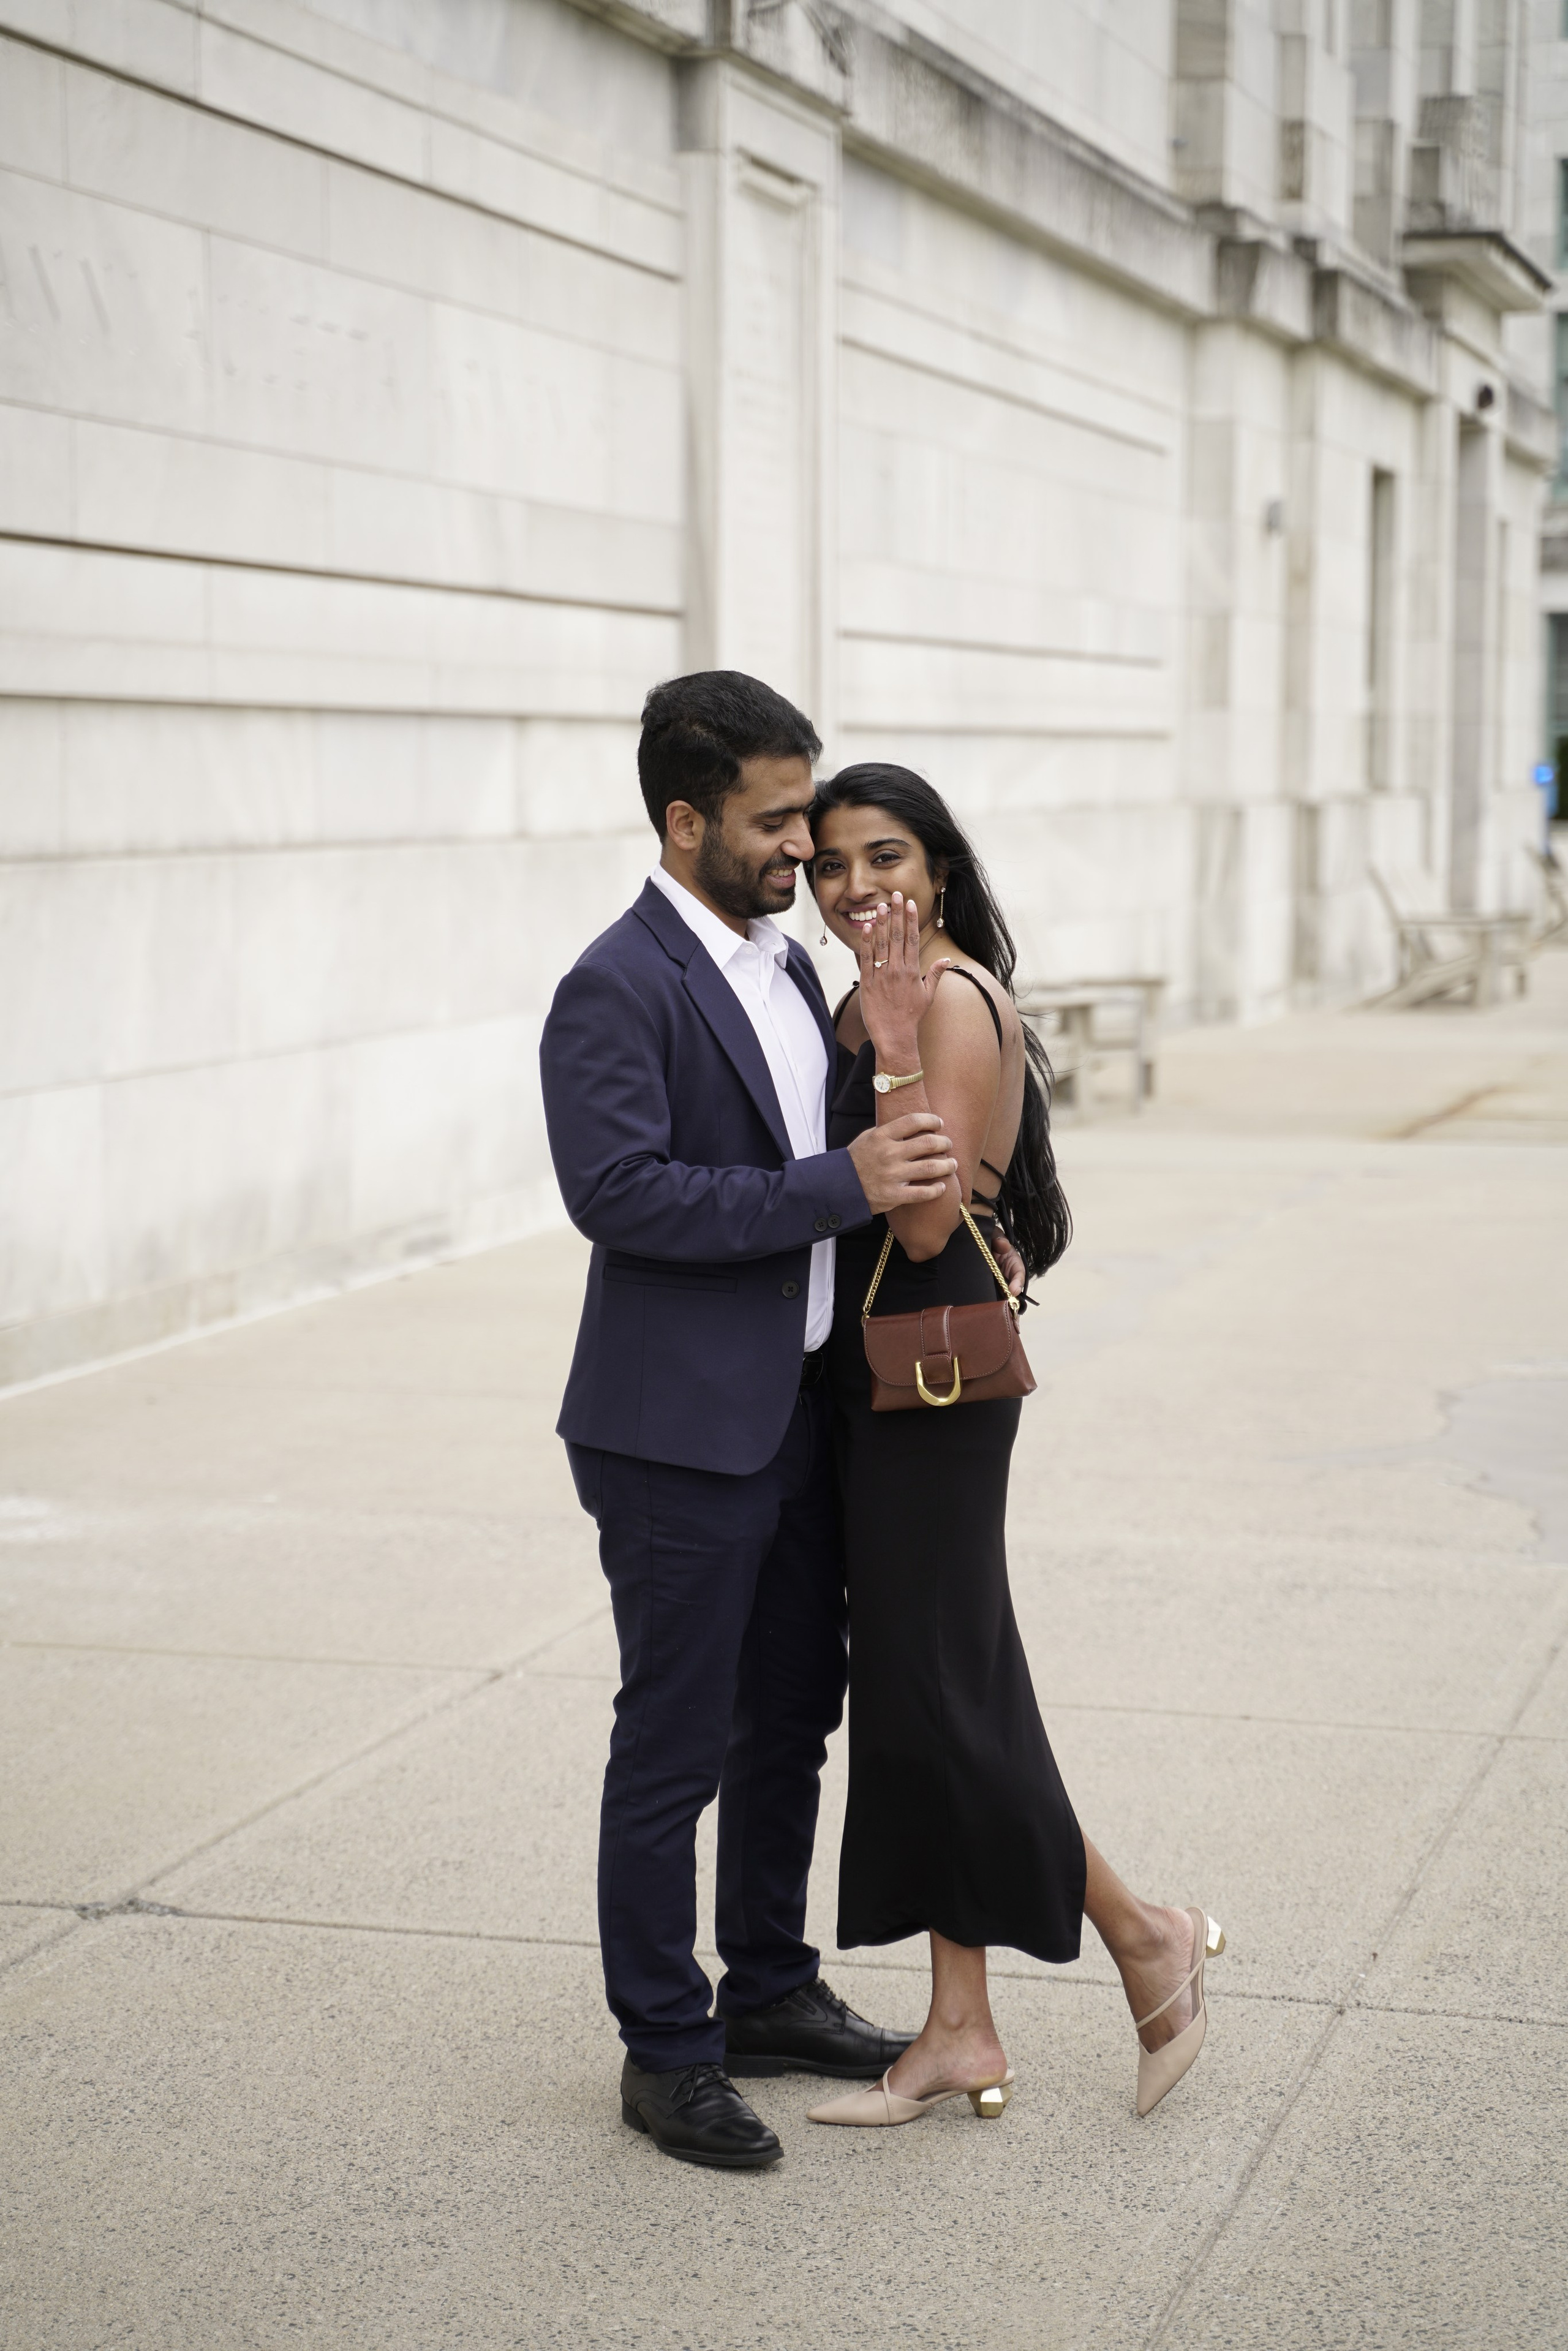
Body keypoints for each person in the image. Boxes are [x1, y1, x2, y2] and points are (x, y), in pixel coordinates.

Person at [540, 676, 968, 2171]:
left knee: (789, 1713)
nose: (804, 845)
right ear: (684, 820)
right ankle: (665, 2047)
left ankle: (769, 1988)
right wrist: (842, 1182)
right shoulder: (616, 983)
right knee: (674, 1743)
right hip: (673, 1432)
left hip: (796, 1409)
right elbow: (619, 1193)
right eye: (776, 819)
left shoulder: (787, 966)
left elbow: (836, 1157)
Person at [802, 764, 1224, 2130]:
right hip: (873, 1378)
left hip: (931, 1382)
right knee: (929, 1693)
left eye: (884, 856)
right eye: (830, 864)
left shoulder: (942, 996)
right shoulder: (876, 991)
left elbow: (927, 1224)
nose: (854, 885)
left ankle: (1146, 1932)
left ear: (936, 866)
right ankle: (958, 2026)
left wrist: (890, 1040)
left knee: (944, 1692)